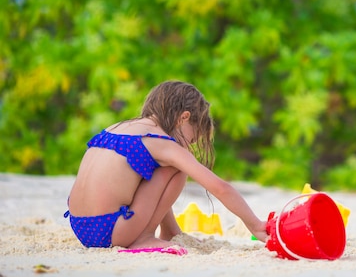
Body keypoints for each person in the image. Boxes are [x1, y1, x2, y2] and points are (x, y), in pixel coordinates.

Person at [64, 80, 268, 250]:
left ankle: (170, 232)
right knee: (177, 165)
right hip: (111, 232)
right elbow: (220, 188)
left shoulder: (118, 128)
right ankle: (143, 237)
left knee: (156, 168)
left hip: (80, 226)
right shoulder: (161, 142)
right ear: (184, 118)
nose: (190, 144)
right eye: (193, 137)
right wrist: (256, 225)